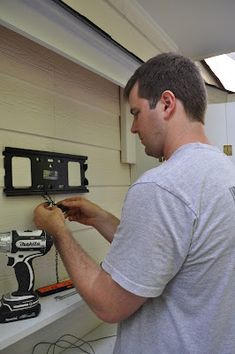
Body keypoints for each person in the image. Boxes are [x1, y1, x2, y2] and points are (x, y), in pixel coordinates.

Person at [34, 52, 235, 354]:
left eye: (136, 113)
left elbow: (108, 305)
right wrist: (101, 218)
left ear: (166, 104)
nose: (133, 128)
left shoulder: (161, 186)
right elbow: (171, 252)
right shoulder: (225, 173)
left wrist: (58, 232)